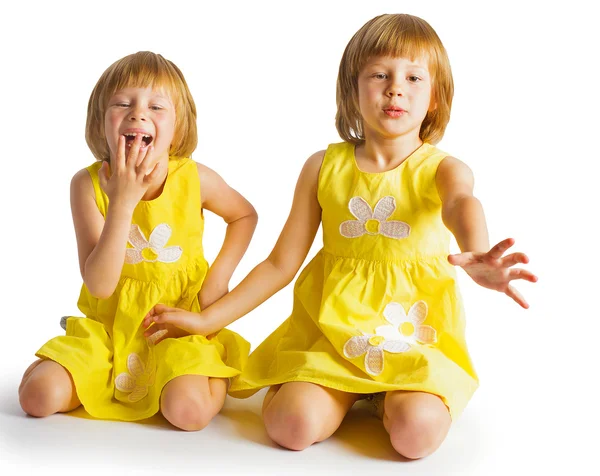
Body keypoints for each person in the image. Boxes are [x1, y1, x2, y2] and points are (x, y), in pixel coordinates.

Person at [142, 14, 537, 456]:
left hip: (414, 335)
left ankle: (399, 396)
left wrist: (477, 250)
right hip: (332, 336)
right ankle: (340, 390)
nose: (395, 88)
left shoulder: (444, 169)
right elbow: (279, 264)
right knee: (289, 426)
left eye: (413, 77)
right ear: (352, 90)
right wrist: (207, 320)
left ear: (436, 98)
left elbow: (461, 203)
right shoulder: (322, 167)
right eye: (379, 75)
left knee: (415, 435)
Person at [18, 51, 257, 431]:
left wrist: (217, 278)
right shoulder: (87, 185)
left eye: (156, 106)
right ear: (101, 123)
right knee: (37, 398)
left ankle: (214, 369)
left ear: (178, 129)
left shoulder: (197, 179)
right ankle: (66, 367)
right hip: (109, 328)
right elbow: (99, 284)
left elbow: (244, 216)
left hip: (174, 326)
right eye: (123, 103)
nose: (138, 114)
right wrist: (123, 201)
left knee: (188, 415)